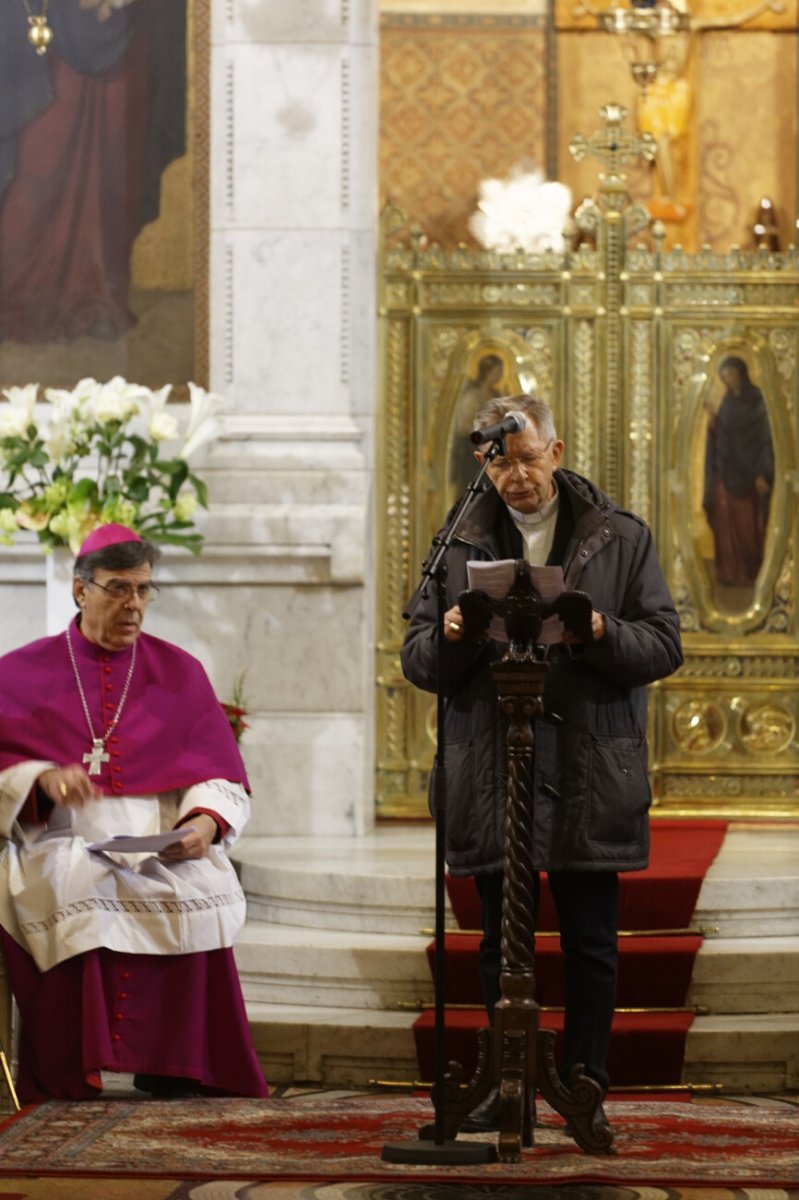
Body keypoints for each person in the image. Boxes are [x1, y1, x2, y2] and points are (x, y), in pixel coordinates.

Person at [401, 394, 683, 1134]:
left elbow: (662, 645)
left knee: (589, 939)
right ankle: (505, 1080)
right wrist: (457, 632)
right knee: (501, 940)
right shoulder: (455, 541)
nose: (516, 473)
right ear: (481, 462)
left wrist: (595, 628)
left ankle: (585, 1081)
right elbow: (419, 659)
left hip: (587, 762)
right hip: (497, 765)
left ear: (556, 454)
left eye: (529, 457)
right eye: (501, 460)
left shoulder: (618, 537)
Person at [0, 523, 267, 1102]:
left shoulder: (179, 672)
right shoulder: (20, 672)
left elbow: (220, 774)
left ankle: (178, 1067)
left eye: (145, 590)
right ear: (80, 590)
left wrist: (202, 823)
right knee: (77, 888)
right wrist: (41, 780)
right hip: (60, 837)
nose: (135, 605)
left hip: (157, 836)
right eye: (119, 588)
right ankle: (74, 1073)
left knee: (196, 887)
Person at [0, 0, 186, 344]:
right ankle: (17, 295)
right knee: (36, 171)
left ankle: (98, 299)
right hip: (43, 38)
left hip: (124, 35)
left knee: (110, 172)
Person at [703, 355, 773, 589]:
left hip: (749, 476)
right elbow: (724, 435)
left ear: (741, 372)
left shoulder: (757, 400)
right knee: (724, 519)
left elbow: (764, 439)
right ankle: (729, 572)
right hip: (724, 472)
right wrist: (713, 421)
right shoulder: (727, 402)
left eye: (730, 373)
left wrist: (763, 472)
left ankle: (751, 572)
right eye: (723, 375)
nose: (727, 378)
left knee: (747, 526)